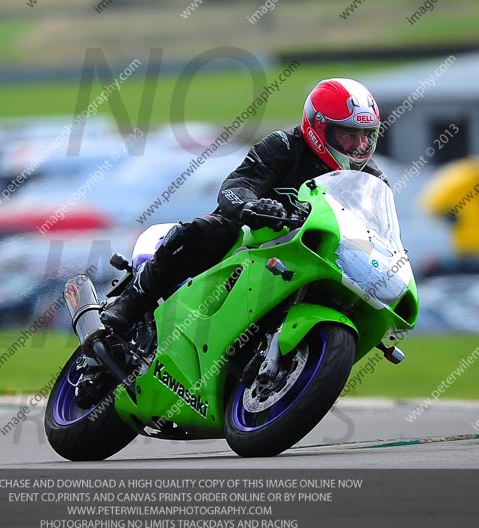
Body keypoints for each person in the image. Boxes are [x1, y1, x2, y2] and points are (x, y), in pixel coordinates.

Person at [101, 77, 387, 335]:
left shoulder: (371, 178)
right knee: (205, 230)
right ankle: (130, 303)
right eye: (349, 134)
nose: (358, 144)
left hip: (309, 255)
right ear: (319, 128)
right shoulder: (284, 146)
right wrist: (255, 206)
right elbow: (236, 187)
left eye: (366, 135)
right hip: (250, 240)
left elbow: (380, 225)